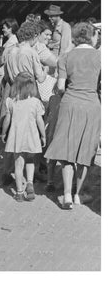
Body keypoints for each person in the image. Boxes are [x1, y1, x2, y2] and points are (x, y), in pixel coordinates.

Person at [45, 22, 101, 209]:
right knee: (86, 151)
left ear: (75, 37)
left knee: (67, 150)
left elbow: (61, 86)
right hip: (91, 104)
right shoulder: (100, 56)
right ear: (92, 36)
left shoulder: (65, 57)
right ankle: (79, 194)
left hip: (70, 103)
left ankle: (67, 195)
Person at [1, 73, 46, 202]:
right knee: (31, 159)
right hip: (31, 135)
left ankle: (19, 192)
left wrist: (4, 133)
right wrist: (43, 135)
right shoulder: (35, 102)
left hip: (17, 136)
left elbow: (7, 120)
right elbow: (39, 121)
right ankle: (30, 183)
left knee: (18, 163)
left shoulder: (11, 101)